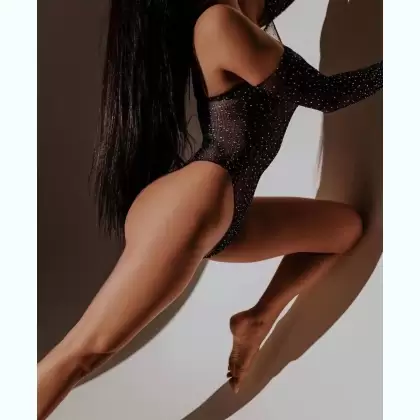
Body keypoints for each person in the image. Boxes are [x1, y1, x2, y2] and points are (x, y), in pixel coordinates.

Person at [37, 0, 383, 418]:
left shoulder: (243, 12)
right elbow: (327, 94)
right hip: (194, 203)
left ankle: (256, 319)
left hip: (225, 209)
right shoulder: (218, 23)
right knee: (80, 353)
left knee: (345, 229)